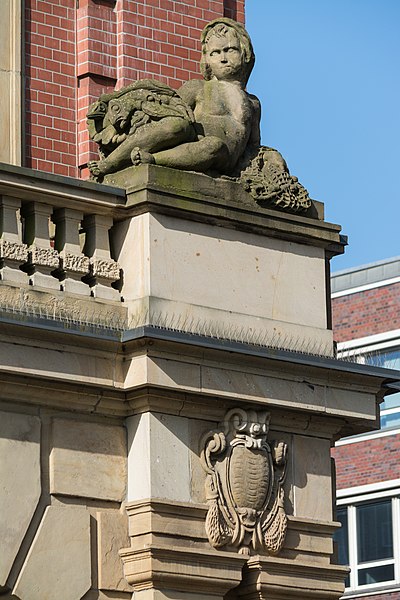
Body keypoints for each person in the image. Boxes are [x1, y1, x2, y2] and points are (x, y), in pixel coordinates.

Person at [88, 18, 261, 178]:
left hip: (223, 157)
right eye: (215, 53)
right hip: (195, 143)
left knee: (214, 146)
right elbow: (168, 112)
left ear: (244, 53)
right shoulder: (199, 87)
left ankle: (153, 159)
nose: (223, 58)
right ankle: (111, 163)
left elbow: (254, 147)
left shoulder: (253, 104)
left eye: (230, 50)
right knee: (179, 124)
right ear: (207, 59)